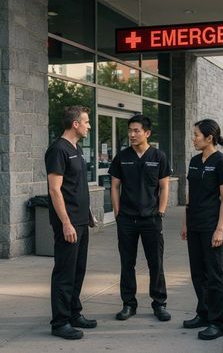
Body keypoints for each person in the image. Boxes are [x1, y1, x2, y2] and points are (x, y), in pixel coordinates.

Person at [108, 114, 171, 322]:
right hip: (127, 219)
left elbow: (164, 186)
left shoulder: (158, 156)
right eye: (130, 130)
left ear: (147, 133)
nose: (132, 134)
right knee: (127, 264)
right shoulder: (122, 156)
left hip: (151, 219)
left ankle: (159, 303)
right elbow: (115, 186)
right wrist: (118, 213)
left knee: (156, 263)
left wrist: (160, 212)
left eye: (136, 131)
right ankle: (128, 304)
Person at [45, 105, 96, 340]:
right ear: (75, 124)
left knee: (78, 270)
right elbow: (55, 190)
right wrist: (65, 222)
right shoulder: (58, 150)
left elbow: (76, 187)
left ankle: (74, 313)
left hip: (80, 220)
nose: (89, 125)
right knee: (65, 272)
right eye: (86, 122)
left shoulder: (76, 148)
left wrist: (87, 214)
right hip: (68, 223)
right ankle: (60, 322)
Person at [181, 119, 223, 341]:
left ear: (209, 138)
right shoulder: (194, 161)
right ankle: (202, 314)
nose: (193, 138)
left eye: (196, 135)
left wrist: (220, 229)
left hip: (213, 227)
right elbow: (190, 196)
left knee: (215, 275)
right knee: (198, 273)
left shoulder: (222, 163)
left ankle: (217, 322)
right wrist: (186, 222)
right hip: (194, 226)